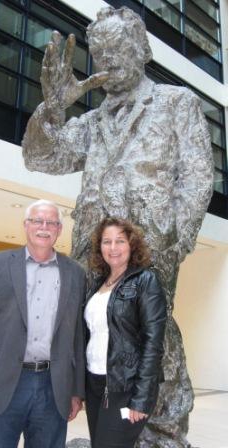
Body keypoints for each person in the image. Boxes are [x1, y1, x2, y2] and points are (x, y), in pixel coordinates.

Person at [22, 6, 213, 445]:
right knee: (99, 339)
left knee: (154, 340)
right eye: (99, 51)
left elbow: (198, 174)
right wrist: (52, 106)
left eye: (117, 48)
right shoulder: (93, 120)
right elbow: (41, 157)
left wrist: (174, 243)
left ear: (142, 48)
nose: (106, 60)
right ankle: (111, 427)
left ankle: (163, 431)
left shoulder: (175, 102)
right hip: (93, 250)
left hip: (151, 248)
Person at [0, 199, 86, 448]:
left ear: (59, 230)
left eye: (52, 222)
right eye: (37, 221)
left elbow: (77, 337)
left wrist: (76, 391)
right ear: (26, 225)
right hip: (5, 381)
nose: (44, 227)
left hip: (54, 386)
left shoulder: (75, 273)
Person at [84, 217, 167, 448]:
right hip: (95, 382)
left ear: (132, 244)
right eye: (106, 241)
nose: (113, 248)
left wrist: (141, 398)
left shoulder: (145, 280)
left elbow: (154, 343)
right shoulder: (98, 284)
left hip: (125, 386)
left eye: (120, 241)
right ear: (99, 247)